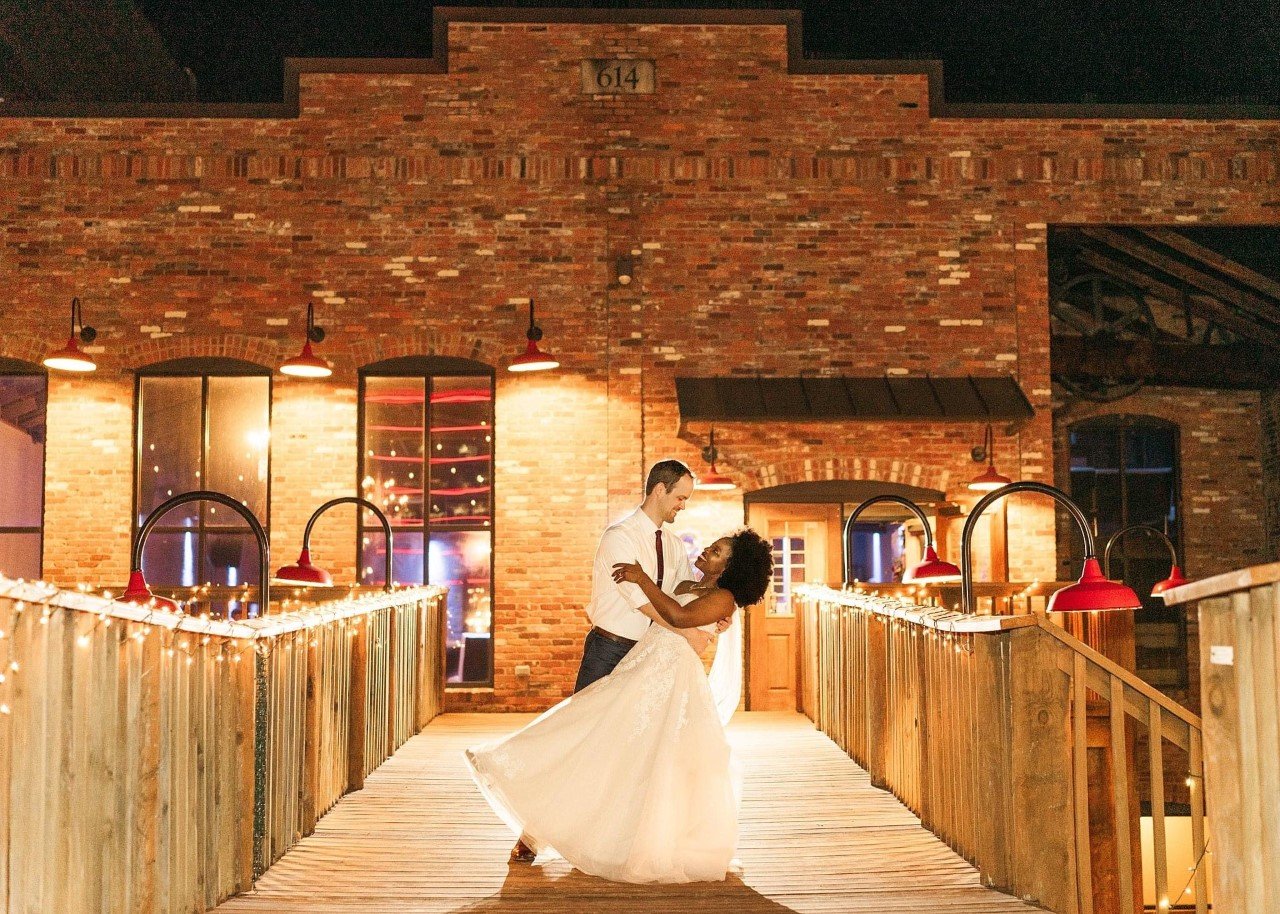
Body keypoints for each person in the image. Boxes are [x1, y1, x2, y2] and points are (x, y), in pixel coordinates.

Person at [464, 528, 773, 884]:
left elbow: (675, 617)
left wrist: (641, 578)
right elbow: (665, 610)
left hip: (670, 678)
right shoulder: (691, 584)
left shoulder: (723, 599)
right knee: (594, 735)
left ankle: (605, 840)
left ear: (730, 565)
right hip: (643, 664)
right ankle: (540, 822)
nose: (707, 549)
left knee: (636, 755)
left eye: (717, 551)